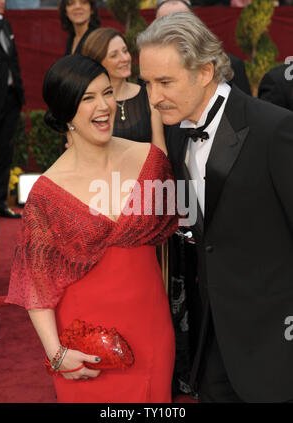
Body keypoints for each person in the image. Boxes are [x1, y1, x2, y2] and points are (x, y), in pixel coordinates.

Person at [137, 11, 293, 403]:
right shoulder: (177, 132)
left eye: (165, 82)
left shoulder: (274, 129)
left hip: (276, 341)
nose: (153, 98)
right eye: (147, 83)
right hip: (213, 338)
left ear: (205, 71)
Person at [6, 54, 179, 403]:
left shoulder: (151, 161)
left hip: (152, 332)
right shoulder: (47, 194)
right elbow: (36, 284)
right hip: (83, 346)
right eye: (87, 98)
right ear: (66, 110)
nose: (103, 106)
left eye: (107, 93)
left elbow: (169, 248)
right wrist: (57, 354)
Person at [82, 27, 167, 152]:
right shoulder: (86, 102)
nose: (125, 58)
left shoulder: (148, 95)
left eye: (125, 51)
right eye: (114, 55)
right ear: (97, 61)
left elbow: (160, 151)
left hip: (145, 170)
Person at [155, 0, 251, 95]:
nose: (174, 30)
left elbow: (245, 107)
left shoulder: (230, 65)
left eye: (181, 21)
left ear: (194, 23)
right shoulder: (149, 68)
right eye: (164, 23)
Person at [0, 0, 25, 218]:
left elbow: (10, 60)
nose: (2, 0)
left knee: (5, 151)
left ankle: (0, 201)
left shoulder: (6, 25)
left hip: (11, 97)